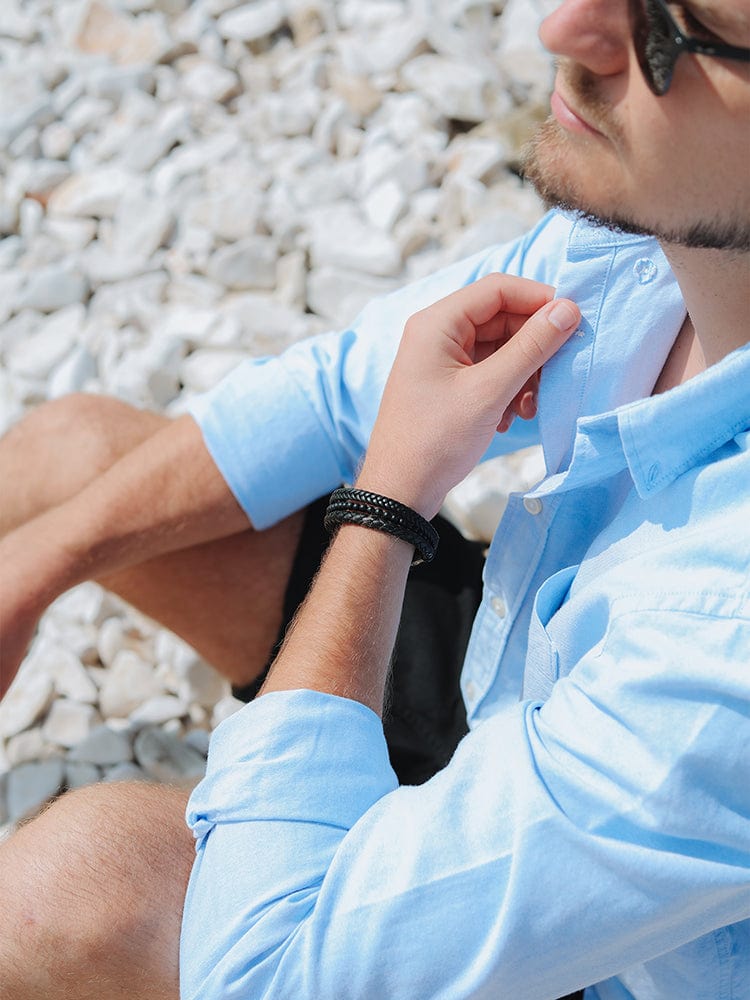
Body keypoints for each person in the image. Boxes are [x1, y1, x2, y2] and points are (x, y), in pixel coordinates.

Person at [1, 0, 749, 997]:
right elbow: (335, 388)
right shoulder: (652, 243)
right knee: (73, 462)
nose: (568, 30)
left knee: (65, 892)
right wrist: (33, 571)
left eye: (676, 29)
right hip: (534, 687)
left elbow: (266, 976)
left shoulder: (722, 652)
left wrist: (391, 496)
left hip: (609, 952)